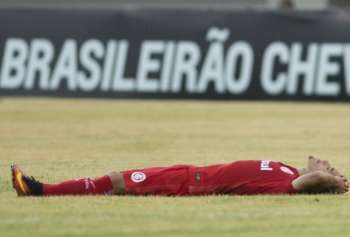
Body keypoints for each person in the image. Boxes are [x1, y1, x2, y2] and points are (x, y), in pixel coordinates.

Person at [11, 156, 349, 197]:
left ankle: (41, 191)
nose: (329, 165)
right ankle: (43, 190)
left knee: (116, 180)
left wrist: (336, 182)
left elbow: (313, 181)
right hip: (190, 172)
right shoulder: (288, 168)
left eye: (331, 170)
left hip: (191, 184)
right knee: (118, 182)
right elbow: (311, 169)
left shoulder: (288, 184)